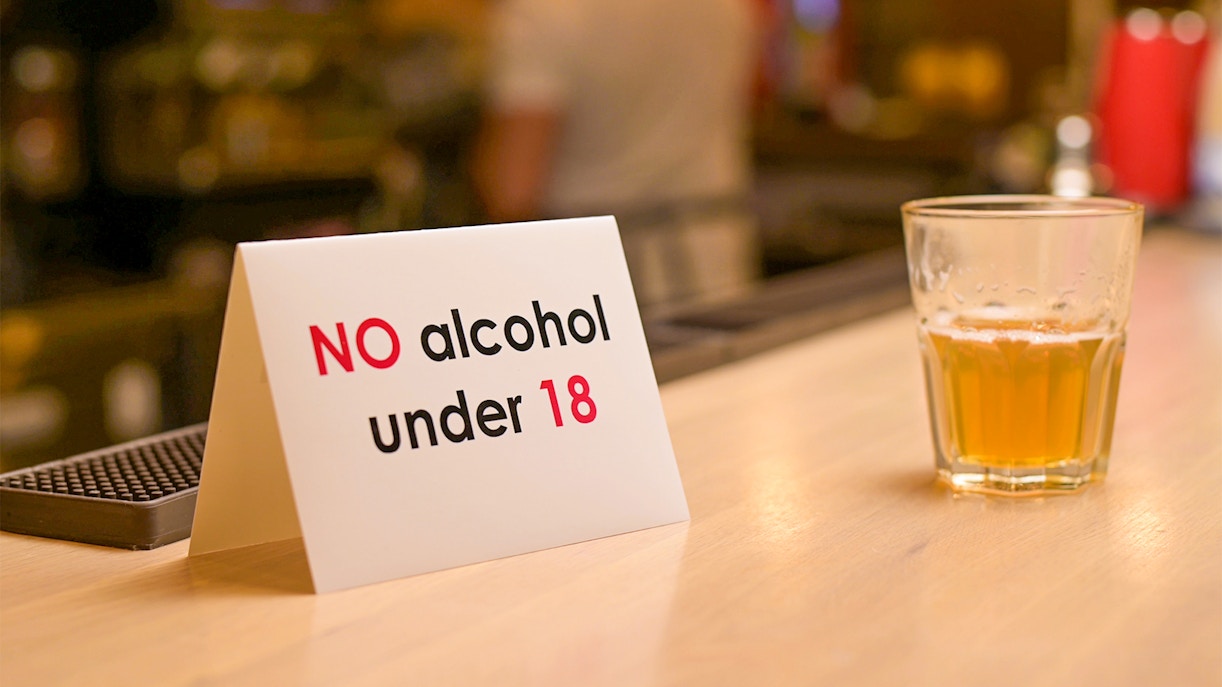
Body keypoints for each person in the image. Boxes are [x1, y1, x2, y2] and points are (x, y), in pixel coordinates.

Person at [472, 0, 762, 313]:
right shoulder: (729, 6)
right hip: (718, 267)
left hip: (595, 298)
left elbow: (513, 190)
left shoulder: (545, 9)